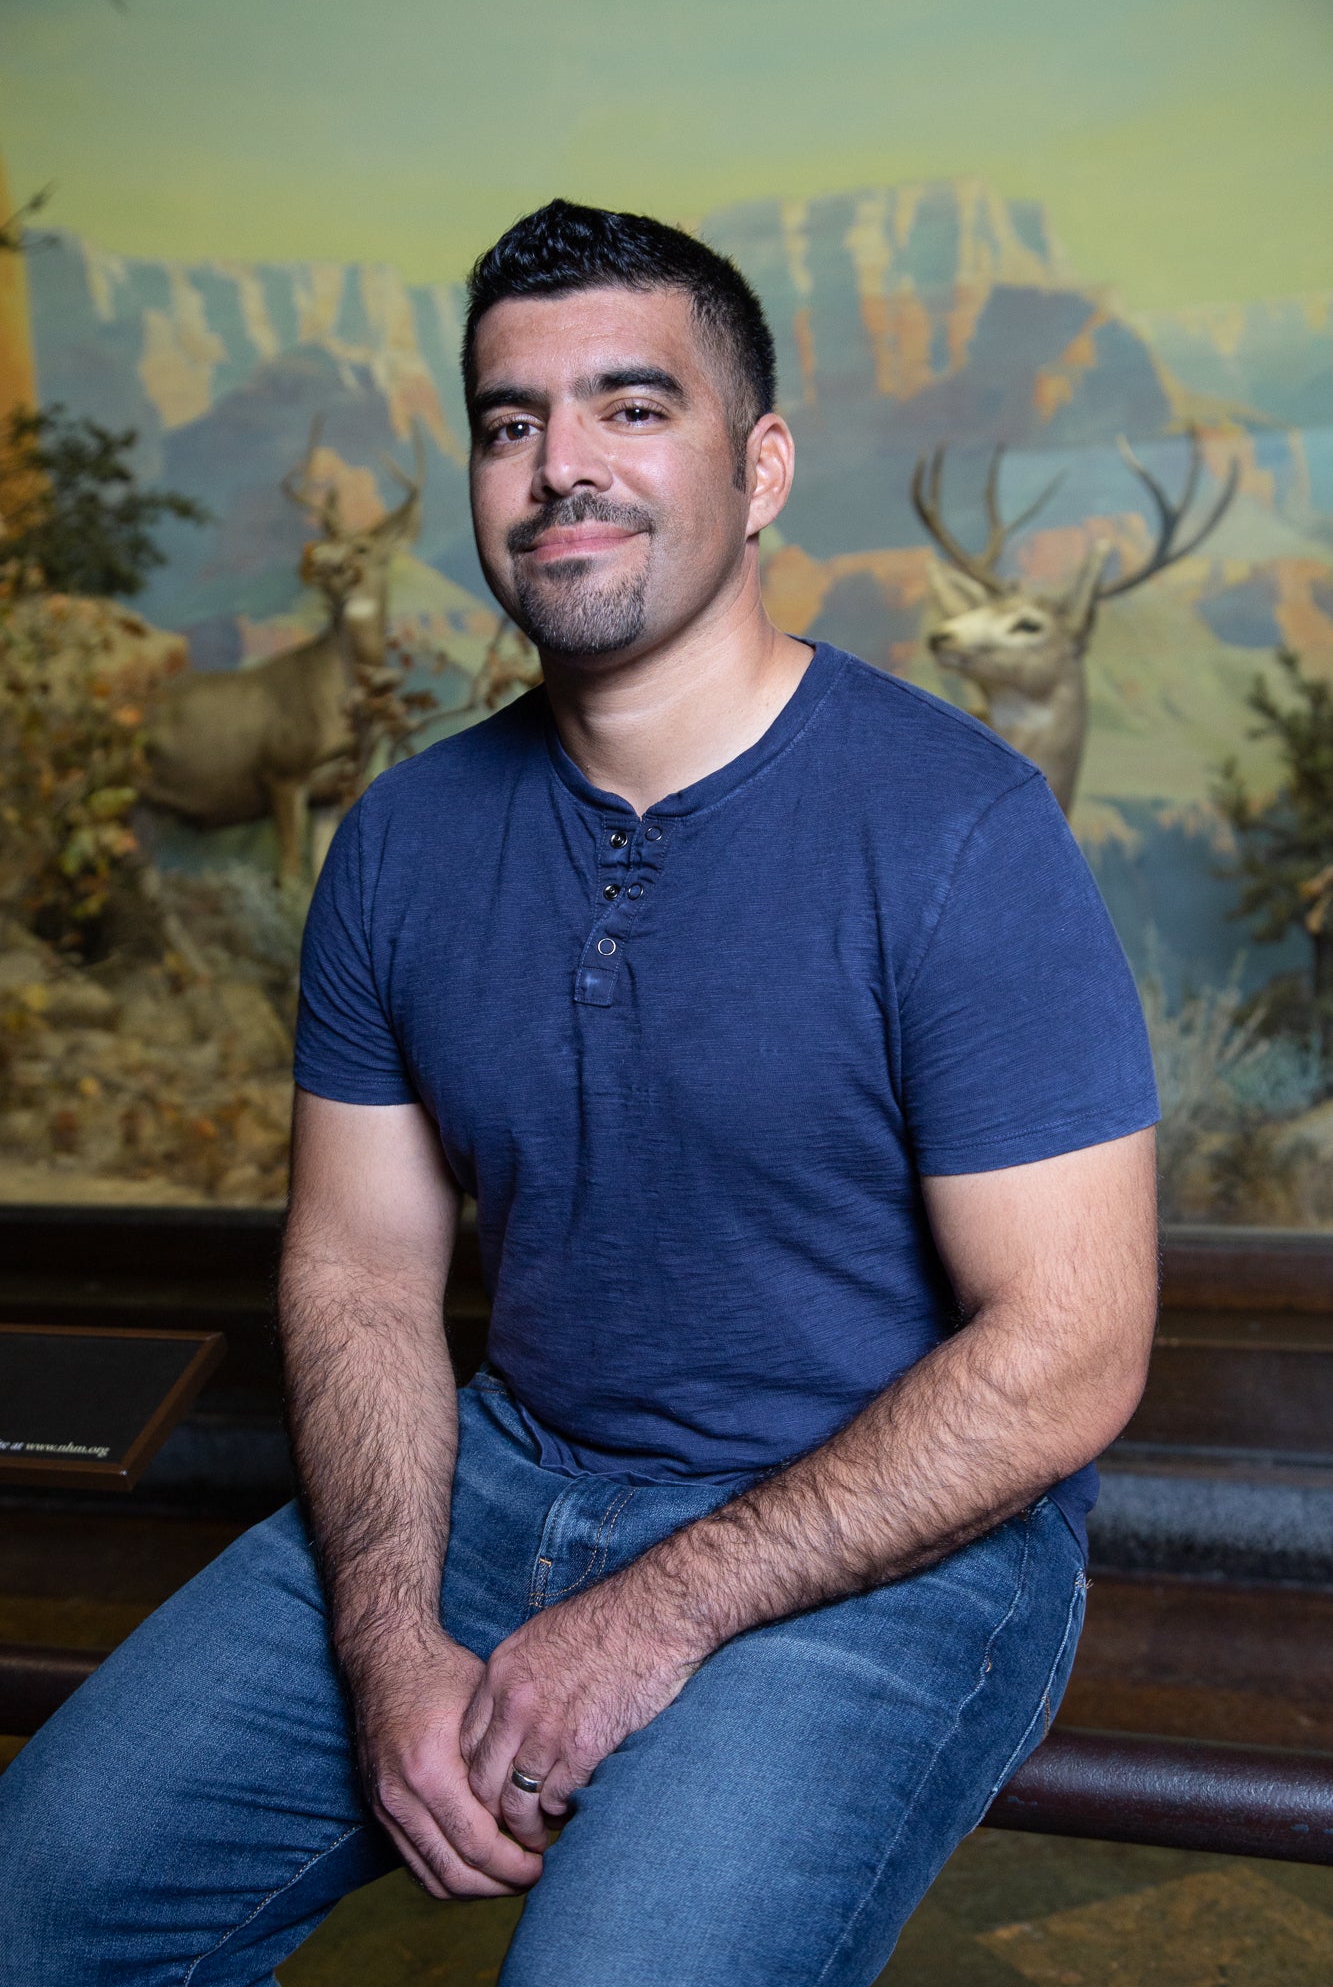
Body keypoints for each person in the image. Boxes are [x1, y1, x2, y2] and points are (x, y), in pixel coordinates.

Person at [0, 200, 1160, 1987]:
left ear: (758, 467)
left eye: (633, 407)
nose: (560, 467)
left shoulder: (958, 833)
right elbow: (360, 1271)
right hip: (490, 1488)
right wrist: (386, 1638)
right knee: (38, 1897)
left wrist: (654, 1615)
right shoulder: (398, 843)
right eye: (508, 420)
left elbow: (1069, 1352)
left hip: (890, 1544)